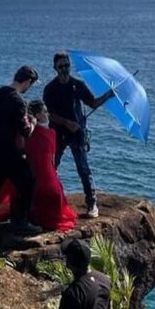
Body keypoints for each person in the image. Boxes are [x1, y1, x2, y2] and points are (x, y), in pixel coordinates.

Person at [43, 51, 114, 219]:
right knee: (52, 168)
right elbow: (48, 114)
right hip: (58, 133)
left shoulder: (78, 85)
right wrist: (67, 123)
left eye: (67, 65)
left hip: (77, 134)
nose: (64, 69)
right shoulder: (50, 89)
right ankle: (49, 200)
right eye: (61, 66)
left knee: (83, 169)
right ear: (55, 68)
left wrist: (108, 95)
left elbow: (92, 103)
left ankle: (92, 203)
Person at [0, 65, 43, 236]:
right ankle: (20, 221)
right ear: (27, 82)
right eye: (30, 84)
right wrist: (33, 120)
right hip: (8, 153)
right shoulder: (17, 101)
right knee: (28, 181)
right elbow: (26, 131)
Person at [24, 99, 78, 232]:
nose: (48, 115)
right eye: (45, 112)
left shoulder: (30, 134)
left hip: (36, 174)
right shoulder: (48, 133)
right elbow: (52, 159)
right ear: (37, 116)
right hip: (44, 174)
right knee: (54, 191)